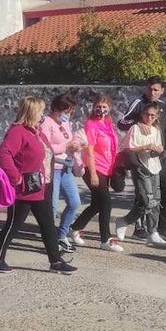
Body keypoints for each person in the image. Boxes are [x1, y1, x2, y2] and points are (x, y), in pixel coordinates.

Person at [0, 97, 77, 275]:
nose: (42, 115)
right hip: (25, 189)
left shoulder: (36, 131)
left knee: (48, 224)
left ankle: (55, 261)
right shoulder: (18, 131)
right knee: (14, 224)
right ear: (31, 112)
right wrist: (16, 178)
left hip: (41, 185)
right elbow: (4, 154)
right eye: (40, 111)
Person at [118, 76, 166, 240]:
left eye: (156, 90)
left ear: (162, 91)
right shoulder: (138, 103)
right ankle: (139, 228)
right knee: (144, 194)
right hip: (141, 157)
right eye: (150, 89)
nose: (152, 92)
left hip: (159, 156)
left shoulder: (163, 106)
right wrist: (138, 123)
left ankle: (161, 227)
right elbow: (121, 123)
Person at [71, 94, 124, 253]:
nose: (101, 109)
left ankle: (74, 228)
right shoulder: (91, 125)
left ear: (109, 108)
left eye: (104, 107)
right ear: (94, 108)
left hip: (106, 169)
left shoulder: (108, 124)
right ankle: (105, 240)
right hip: (94, 168)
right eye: (98, 106)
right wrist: (93, 173)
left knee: (96, 204)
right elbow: (89, 151)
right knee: (106, 203)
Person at [117, 102, 166, 247]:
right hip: (140, 167)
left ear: (157, 116)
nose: (149, 117)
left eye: (153, 115)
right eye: (147, 114)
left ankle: (153, 232)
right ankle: (125, 221)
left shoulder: (156, 130)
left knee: (156, 201)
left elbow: (156, 150)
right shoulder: (135, 128)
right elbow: (128, 149)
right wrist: (145, 146)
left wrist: (158, 149)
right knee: (147, 201)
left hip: (154, 167)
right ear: (142, 114)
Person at [39, 93, 84, 253]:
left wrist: (76, 146)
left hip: (66, 167)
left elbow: (69, 140)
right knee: (52, 206)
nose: (68, 115)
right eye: (66, 111)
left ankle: (61, 234)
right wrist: (65, 147)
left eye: (70, 112)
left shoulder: (65, 123)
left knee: (74, 202)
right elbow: (45, 147)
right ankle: (51, 241)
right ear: (56, 109)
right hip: (53, 168)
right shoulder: (46, 123)